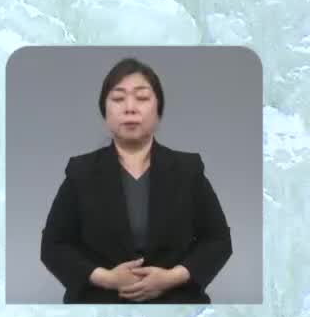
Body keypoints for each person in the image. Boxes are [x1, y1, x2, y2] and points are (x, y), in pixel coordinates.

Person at [38, 56, 233, 303]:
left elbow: (218, 241)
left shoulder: (188, 170)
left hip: (176, 304)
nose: (130, 108)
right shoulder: (81, 172)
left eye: (141, 98)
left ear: (159, 111)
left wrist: (172, 277)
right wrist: (106, 278)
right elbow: (54, 246)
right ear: (105, 112)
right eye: (118, 99)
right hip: (99, 306)